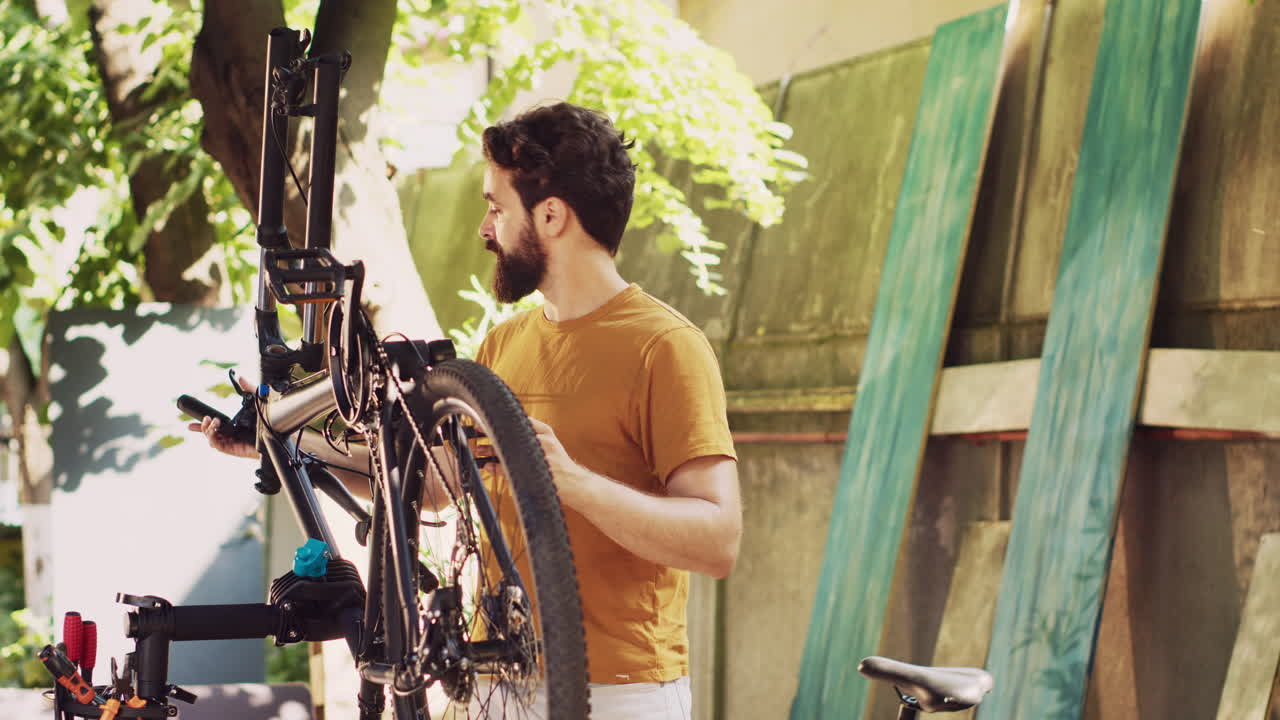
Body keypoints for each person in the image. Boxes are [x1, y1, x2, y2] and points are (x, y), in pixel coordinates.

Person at [192, 101, 741, 720]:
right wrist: (289, 449)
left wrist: (574, 484)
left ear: (552, 216)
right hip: (494, 679)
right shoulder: (504, 345)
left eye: (497, 208)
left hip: (619, 689)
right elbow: (432, 489)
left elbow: (717, 539)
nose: (484, 229)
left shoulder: (664, 347)